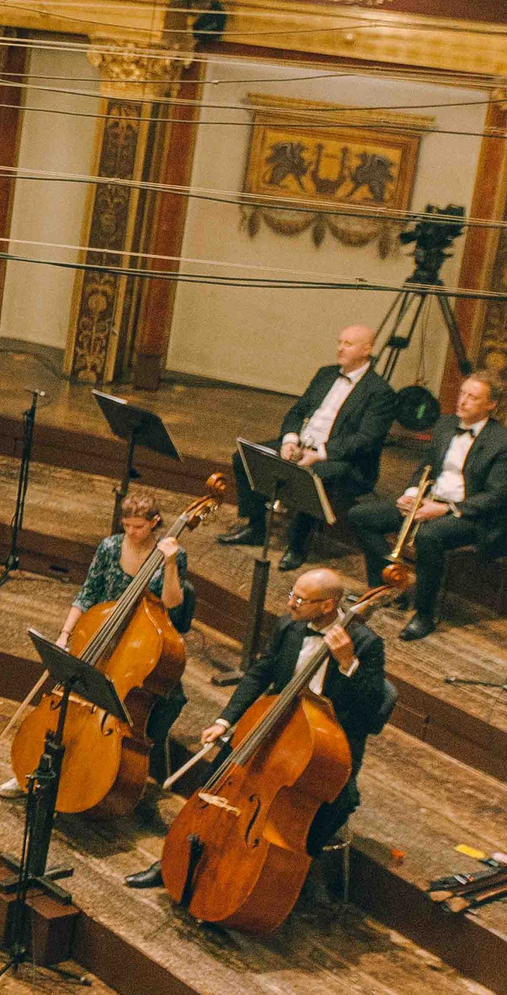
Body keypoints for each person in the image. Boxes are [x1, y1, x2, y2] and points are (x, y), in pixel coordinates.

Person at [124, 566, 387, 888]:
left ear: (327, 606)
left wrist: (348, 663)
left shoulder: (365, 644)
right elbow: (260, 674)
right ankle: (172, 861)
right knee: (216, 779)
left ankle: (283, 875)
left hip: (329, 745)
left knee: (338, 802)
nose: (291, 603)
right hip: (275, 726)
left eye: (300, 600)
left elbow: (371, 712)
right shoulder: (289, 626)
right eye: (292, 594)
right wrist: (225, 720)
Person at [0, 490, 195, 796]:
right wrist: (65, 635)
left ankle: (120, 772)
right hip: (100, 634)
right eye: (126, 525)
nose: (131, 532)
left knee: (167, 700)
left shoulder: (174, 555)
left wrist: (169, 564)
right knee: (68, 700)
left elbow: (173, 603)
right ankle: (33, 771)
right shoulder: (110, 547)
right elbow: (88, 593)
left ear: (155, 522)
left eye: (139, 527)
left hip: (141, 649)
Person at [218, 324, 396, 568]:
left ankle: (297, 546)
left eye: (348, 344)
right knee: (244, 457)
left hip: (341, 459)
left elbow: (366, 439)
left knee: (312, 476)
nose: (340, 348)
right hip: (303, 444)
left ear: (367, 350)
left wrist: (320, 454)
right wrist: (290, 440)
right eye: (339, 342)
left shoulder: (380, 391)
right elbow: (298, 410)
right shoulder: (326, 374)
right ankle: (256, 527)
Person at [347, 371, 506, 640]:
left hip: (468, 514)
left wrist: (446, 509)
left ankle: (424, 614)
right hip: (428, 502)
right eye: (462, 393)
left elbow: (496, 496)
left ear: (491, 404)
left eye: (473, 397)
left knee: (429, 536)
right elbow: (426, 466)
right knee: (360, 515)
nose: (463, 401)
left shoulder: (501, 441)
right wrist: (412, 493)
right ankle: (386, 588)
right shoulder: (446, 424)